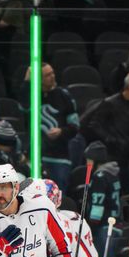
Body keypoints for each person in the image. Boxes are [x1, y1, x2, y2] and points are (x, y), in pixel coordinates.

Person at [81, 70, 129, 195]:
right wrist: (112, 141)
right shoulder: (110, 104)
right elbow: (93, 126)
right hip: (114, 161)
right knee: (113, 199)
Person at [40, 62, 79, 192]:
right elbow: (23, 108)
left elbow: (75, 126)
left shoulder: (64, 96)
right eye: (47, 75)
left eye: (52, 73)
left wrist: (62, 131)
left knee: (59, 196)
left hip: (61, 157)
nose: (52, 76)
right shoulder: (32, 97)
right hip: (39, 157)